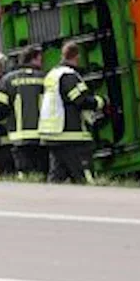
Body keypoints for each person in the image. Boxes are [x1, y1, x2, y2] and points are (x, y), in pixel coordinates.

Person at [39, 41, 108, 183]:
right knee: (84, 177)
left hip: (52, 135)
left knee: (56, 179)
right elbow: (81, 101)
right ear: (77, 56)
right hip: (71, 136)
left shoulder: (52, 74)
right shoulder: (69, 76)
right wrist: (100, 102)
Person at [0, 47, 49, 179]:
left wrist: (6, 123)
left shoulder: (7, 80)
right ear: (34, 59)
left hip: (19, 137)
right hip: (43, 136)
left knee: (24, 175)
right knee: (43, 173)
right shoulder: (45, 78)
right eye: (40, 58)